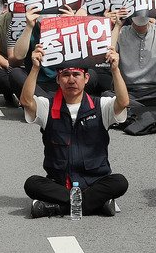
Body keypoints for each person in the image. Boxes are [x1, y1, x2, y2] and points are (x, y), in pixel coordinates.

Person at [20, 45, 130, 218]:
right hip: (60, 184)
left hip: (95, 182)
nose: (71, 80)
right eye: (65, 75)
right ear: (58, 79)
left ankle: (56, 208)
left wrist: (115, 70)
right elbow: (26, 101)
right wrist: (35, 68)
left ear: (86, 78)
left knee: (120, 182)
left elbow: (123, 103)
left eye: (76, 75)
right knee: (32, 184)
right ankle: (97, 204)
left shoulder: (101, 105)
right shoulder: (47, 106)